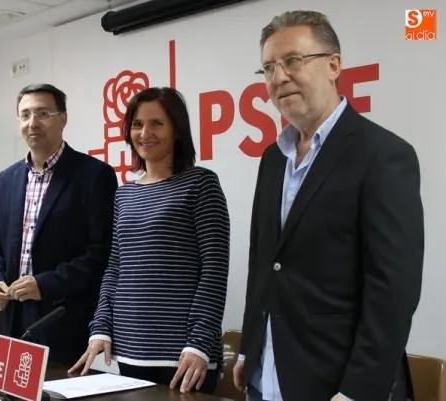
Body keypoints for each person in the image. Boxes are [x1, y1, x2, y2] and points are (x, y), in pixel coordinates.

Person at [233, 10, 424, 401]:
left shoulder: (383, 155)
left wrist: (358, 391)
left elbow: (393, 291)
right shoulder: (273, 158)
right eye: (268, 67)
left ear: (334, 65)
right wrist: (250, 347)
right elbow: (263, 263)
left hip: (337, 382)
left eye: (292, 60)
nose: (278, 77)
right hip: (267, 375)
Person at [68, 87, 231, 395]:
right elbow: (115, 268)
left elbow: (214, 269)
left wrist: (199, 343)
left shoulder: (201, 183)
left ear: (177, 130)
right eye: (137, 124)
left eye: (157, 123)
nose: (145, 133)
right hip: (130, 350)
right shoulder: (124, 194)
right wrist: (100, 327)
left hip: (184, 356)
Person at [0, 83, 118, 364]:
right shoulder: (6, 179)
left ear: (63, 119)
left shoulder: (94, 175)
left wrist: (45, 284)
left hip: (63, 319)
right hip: (13, 319)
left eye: (43, 113)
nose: (33, 123)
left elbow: (101, 252)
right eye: (25, 115)